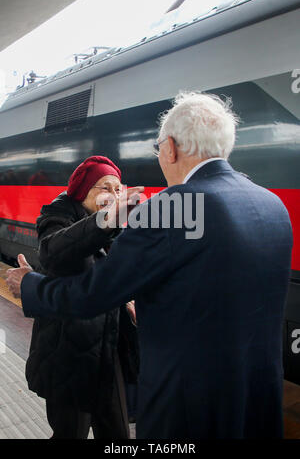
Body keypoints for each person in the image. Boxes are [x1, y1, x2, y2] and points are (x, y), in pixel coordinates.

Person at [7, 92, 293, 439]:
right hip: (257, 401)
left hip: (187, 407)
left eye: (158, 149)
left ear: (170, 148)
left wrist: (30, 286)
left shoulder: (172, 208)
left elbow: (94, 292)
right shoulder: (272, 205)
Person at [22, 155, 141, 439]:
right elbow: (55, 251)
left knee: (118, 436)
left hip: (108, 351)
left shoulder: (113, 224)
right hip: (69, 354)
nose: (113, 195)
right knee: (69, 434)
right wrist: (107, 220)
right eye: (104, 187)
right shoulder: (57, 216)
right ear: (83, 190)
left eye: (117, 188)